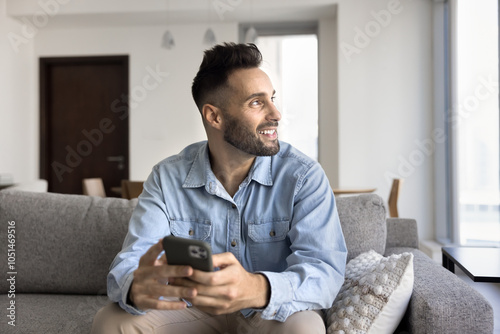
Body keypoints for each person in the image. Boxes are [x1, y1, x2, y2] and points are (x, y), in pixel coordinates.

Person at [91, 42, 347, 334]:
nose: (276, 114)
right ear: (214, 116)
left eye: (272, 99)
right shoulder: (167, 177)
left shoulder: (304, 176)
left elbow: (325, 272)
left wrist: (257, 287)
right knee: (110, 322)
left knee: (305, 327)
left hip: (270, 311)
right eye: (257, 102)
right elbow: (131, 261)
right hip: (191, 310)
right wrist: (136, 287)